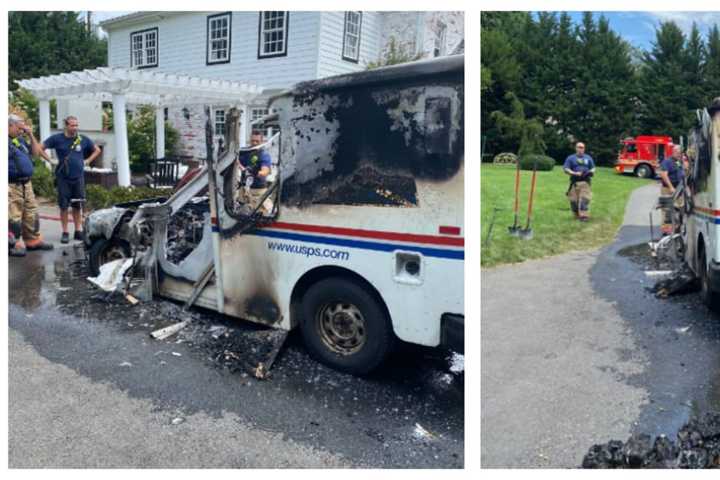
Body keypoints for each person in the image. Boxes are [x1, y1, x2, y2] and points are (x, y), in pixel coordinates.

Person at [39, 116, 101, 243]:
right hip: (63, 178)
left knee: (77, 205)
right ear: (66, 126)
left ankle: (78, 230)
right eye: (72, 125)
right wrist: (50, 160)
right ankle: (65, 231)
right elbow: (40, 148)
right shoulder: (57, 138)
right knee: (63, 206)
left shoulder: (82, 139)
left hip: (78, 177)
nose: (75, 128)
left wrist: (88, 161)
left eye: (76, 125)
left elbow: (97, 150)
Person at [8, 114, 54, 256]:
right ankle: (13, 243)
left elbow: (36, 153)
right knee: (12, 216)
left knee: (31, 213)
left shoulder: (19, 140)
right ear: (9, 125)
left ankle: (32, 240)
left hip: (26, 183)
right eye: (19, 127)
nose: (22, 130)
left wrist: (31, 135)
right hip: (11, 184)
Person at [236, 131, 273, 215]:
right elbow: (235, 161)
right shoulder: (244, 152)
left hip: (258, 190)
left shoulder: (264, 155)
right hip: (244, 189)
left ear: (262, 142)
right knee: (241, 212)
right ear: (250, 140)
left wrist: (255, 171)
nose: (254, 143)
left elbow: (265, 171)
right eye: (253, 141)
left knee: (265, 213)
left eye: (257, 141)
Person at [564, 142, 596, 221]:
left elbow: (593, 168)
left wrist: (590, 172)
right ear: (576, 148)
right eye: (579, 147)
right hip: (574, 182)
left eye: (582, 147)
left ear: (584, 149)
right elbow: (566, 168)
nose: (580, 149)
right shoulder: (570, 158)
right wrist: (574, 173)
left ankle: (584, 216)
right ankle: (576, 215)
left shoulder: (588, 158)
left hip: (585, 182)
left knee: (584, 199)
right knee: (573, 201)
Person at [658, 145, 686, 236]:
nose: (679, 155)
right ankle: (666, 232)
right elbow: (663, 174)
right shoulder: (667, 162)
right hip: (667, 189)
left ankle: (677, 228)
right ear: (673, 152)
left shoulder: (679, 162)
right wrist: (670, 187)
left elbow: (683, 172)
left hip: (679, 189)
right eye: (677, 153)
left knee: (680, 208)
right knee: (667, 210)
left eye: (680, 153)